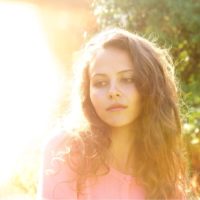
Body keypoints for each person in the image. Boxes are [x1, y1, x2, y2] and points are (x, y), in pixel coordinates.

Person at [37, 28, 189, 199]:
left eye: (127, 79)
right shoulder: (63, 150)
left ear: (151, 88)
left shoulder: (163, 167)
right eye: (100, 82)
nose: (113, 91)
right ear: (87, 93)